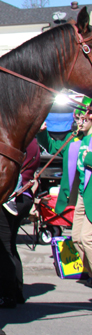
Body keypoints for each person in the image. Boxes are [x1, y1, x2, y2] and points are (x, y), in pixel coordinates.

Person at [0, 140, 41, 307]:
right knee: (10, 246)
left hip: (12, 197)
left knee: (3, 247)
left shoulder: (19, 139)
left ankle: (7, 294)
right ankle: (16, 291)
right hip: (25, 197)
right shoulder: (34, 142)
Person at [71, 109, 92, 287]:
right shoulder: (79, 140)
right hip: (81, 193)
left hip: (90, 194)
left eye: (84, 118)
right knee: (76, 238)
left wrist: (88, 158)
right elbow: (53, 147)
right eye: (78, 118)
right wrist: (42, 134)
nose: (80, 121)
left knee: (86, 238)